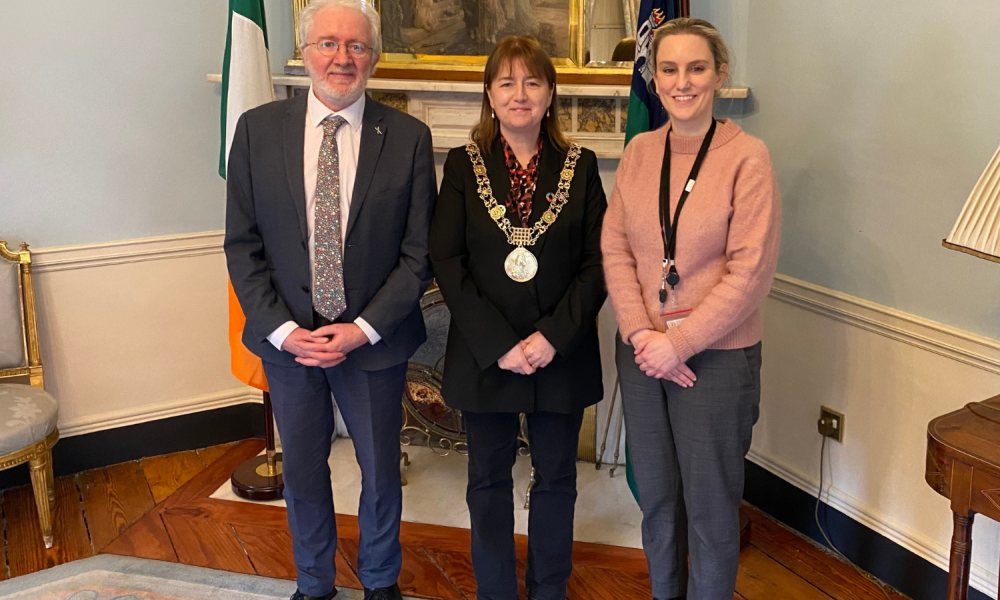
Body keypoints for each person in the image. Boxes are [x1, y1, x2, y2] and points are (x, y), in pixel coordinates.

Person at [224, 0, 436, 598]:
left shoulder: (410, 139)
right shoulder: (257, 131)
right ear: (305, 51)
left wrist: (362, 328)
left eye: (356, 46)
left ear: (373, 57)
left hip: (373, 344)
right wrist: (282, 331)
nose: (342, 57)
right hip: (288, 343)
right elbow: (243, 246)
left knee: (380, 475)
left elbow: (417, 256)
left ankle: (380, 581)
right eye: (328, 44)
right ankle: (314, 583)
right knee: (305, 473)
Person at [601, 18, 781, 600]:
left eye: (696, 68)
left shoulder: (747, 157)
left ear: (719, 75)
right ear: (653, 79)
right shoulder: (638, 152)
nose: (683, 82)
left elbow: (748, 274)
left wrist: (676, 345)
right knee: (656, 500)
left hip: (717, 360)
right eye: (669, 69)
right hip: (642, 354)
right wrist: (640, 335)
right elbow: (616, 247)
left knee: (708, 510)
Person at [430, 35, 607, 600]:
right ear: (489, 93)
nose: (520, 94)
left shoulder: (582, 167)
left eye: (532, 82)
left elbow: (598, 262)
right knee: (486, 481)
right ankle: (497, 591)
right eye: (506, 82)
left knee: (557, 480)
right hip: (487, 357)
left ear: (551, 93)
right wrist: (502, 344)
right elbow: (447, 260)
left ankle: (549, 590)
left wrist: (551, 338)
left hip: (562, 353)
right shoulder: (462, 165)